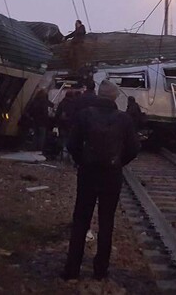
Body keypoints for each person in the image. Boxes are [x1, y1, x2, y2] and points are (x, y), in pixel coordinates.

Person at [63, 80, 140, 281]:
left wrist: (83, 162)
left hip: (88, 174)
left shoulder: (84, 115)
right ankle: (100, 270)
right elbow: (134, 149)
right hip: (111, 177)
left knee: (80, 221)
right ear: (115, 97)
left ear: (98, 94)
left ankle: (72, 270)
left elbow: (72, 144)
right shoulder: (124, 119)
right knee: (107, 223)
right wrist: (118, 163)